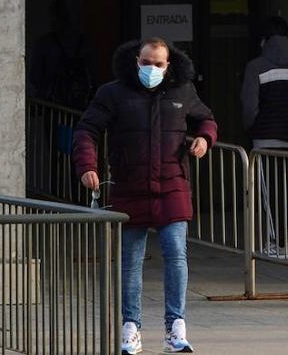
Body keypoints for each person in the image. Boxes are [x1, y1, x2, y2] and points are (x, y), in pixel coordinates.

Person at [73, 37, 217, 355]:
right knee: (130, 263)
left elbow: (206, 118)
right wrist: (87, 165)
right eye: (146, 62)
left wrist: (205, 139)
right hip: (129, 186)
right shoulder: (113, 93)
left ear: (169, 66)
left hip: (172, 186)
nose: (151, 68)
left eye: (158, 64)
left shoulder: (183, 91)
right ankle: (130, 328)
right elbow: (87, 130)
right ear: (136, 60)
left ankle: (175, 327)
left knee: (176, 256)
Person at [241, 16, 288, 256]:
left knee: (267, 191)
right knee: (285, 189)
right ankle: (284, 241)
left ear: (264, 40)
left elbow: (250, 105)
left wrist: (250, 127)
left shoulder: (256, 66)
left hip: (263, 136)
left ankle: (277, 243)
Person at [28, 0, 93, 111]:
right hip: (75, 105)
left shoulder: (45, 44)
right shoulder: (83, 42)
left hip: (55, 106)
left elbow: (35, 76)